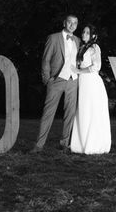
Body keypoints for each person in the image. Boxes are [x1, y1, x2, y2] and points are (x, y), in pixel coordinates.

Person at [31, 14, 80, 153]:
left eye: (75, 23)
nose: (72, 25)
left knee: (69, 113)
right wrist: (47, 79)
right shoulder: (53, 38)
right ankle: (39, 145)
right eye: (70, 22)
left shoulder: (77, 40)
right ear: (64, 23)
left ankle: (64, 144)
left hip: (73, 81)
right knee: (48, 113)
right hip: (56, 80)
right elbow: (45, 60)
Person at [70, 24, 111, 154]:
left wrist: (78, 70)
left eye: (87, 33)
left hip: (91, 82)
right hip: (82, 82)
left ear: (94, 36)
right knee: (82, 110)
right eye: (83, 32)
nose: (84, 34)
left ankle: (93, 144)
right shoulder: (83, 47)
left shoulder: (94, 47)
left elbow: (96, 66)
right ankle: (80, 144)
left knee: (90, 111)